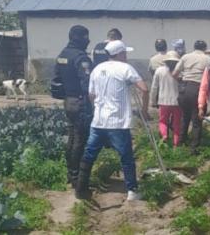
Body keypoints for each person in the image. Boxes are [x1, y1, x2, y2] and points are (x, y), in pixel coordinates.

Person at [75, 40, 149, 201]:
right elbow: (144, 88)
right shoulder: (126, 68)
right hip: (118, 122)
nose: (127, 55)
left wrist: (97, 108)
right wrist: (144, 110)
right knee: (126, 156)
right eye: (125, 53)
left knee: (89, 155)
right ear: (120, 53)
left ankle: (80, 188)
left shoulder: (97, 69)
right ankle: (132, 190)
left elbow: (91, 95)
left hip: (99, 121)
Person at [55, 25, 93, 188]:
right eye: (86, 37)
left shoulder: (62, 55)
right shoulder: (80, 57)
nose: (88, 40)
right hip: (80, 102)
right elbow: (87, 83)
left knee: (72, 137)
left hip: (68, 101)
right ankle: (76, 176)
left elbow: (57, 79)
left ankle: (70, 173)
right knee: (80, 139)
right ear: (78, 38)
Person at [172, 40, 210, 154]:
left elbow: (174, 74)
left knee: (185, 117)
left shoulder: (185, 57)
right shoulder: (208, 59)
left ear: (194, 47)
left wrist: (182, 80)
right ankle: (194, 147)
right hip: (198, 88)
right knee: (197, 120)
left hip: (184, 88)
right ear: (205, 48)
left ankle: (180, 142)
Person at [150, 51, 182, 147]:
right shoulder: (180, 72)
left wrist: (153, 101)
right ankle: (176, 144)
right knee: (177, 123)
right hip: (177, 102)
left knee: (163, 121)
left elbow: (154, 87)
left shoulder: (159, 70)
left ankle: (164, 136)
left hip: (163, 101)